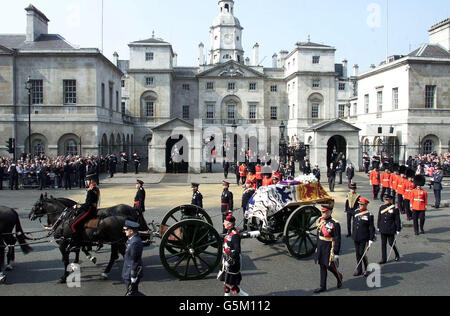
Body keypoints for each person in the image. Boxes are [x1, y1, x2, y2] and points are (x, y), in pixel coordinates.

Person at [313, 205, 343, 294]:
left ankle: (339, 276)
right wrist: (317, 247)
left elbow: (337, 238)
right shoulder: (320, 221)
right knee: (322, 265)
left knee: (329, 265)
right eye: (322, 212)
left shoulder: (335, 223)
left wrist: (336, 253)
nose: (323, 214)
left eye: (325, 212)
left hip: (329, 247)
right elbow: (318, 235)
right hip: (321, 246)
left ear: (330, 212)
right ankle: (322, 286)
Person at [69, 173, 100, 251]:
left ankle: (77, 244)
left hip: (89, 210)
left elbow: (88, 204)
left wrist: (78, 206)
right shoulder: (95, 188)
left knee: (72, 225)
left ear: (91, 181)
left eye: (87, 181)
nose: (86, 182)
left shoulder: (91, 190)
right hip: (92, 208)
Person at [220, 214, 248, 296]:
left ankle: (243, 295)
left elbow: (237, 251)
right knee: (227, 280)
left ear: (230, 224)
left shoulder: (235, 235)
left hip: (232, 262)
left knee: (229, 283)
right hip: (226, 260)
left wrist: (229, 259)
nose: (223, 223)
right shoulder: (229, 232)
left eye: (225, 222)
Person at [352, 197, 376, 277]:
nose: (360, 206)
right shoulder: (356, 212)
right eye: (359, 204)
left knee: (362, 253)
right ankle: (359, 270)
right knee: (357, 254)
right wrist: (353, 233)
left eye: (362, 205)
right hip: (356, 236)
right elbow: (354, 224)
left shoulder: (369, 215)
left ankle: (367, 269)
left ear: (366, 205)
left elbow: (371, 228)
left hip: (364, 237)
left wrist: (371, 239)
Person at [122, 220, 144, 296]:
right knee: (132, 293)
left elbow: (134, 260)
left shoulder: (135, 242)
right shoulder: (132, 239)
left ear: (131, 231)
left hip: (130, 273)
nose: (124, 231)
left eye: (126, 230)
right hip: (128, 271)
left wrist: (133, 275)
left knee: (132, 293)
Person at [377, 195, 401, 264]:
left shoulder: (395, 208)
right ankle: (383, 258)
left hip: (390, 228)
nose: (386, 201)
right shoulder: (382, 207)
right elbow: (379, 218)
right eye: (385, 200)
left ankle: (397, 254)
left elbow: (397, 220)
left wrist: (398, 229)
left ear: (391, 200)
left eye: (387, 200)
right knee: (383, 244)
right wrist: (378, 226)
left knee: (391, 243)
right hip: (383, 228)